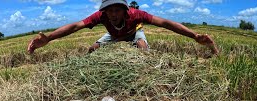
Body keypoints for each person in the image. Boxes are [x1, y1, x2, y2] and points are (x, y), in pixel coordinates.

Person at [28, 0, 218, 54]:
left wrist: (194, 36)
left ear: (125, 10)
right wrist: (49, 38)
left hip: (133, 33)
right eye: (109, 10)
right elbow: (76, 26)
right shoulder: (101, 17)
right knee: (92, 50)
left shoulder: (136, 15)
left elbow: (166, 23)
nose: (113, 14)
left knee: (142, 48)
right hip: (113, 36)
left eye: (117, 10)